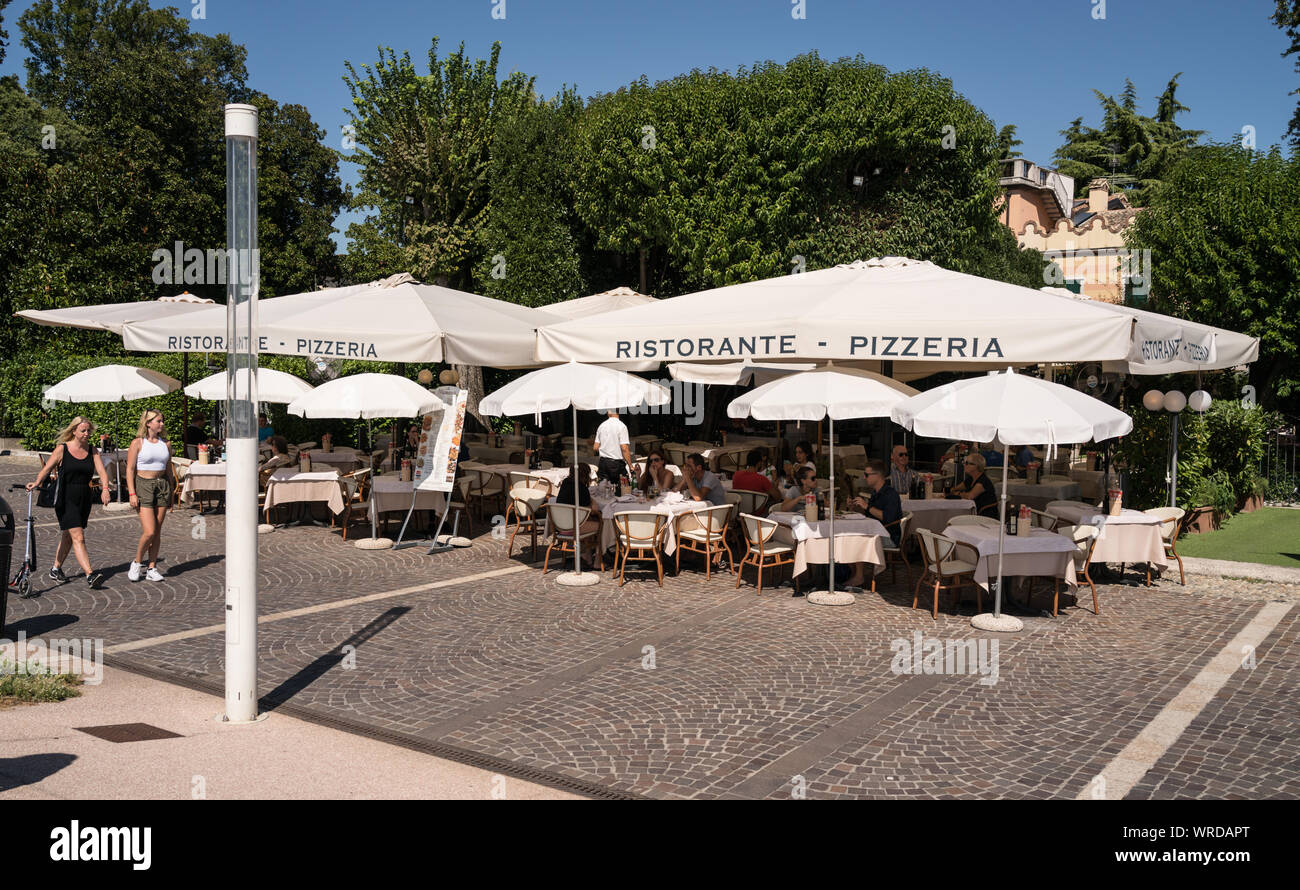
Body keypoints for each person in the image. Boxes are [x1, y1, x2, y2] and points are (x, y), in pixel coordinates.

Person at [27, 416, 112, 588]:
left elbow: (102, 472)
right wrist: (36, 482)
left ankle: (55, 568)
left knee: (69, 535)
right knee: (78, 536)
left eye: (89, 430)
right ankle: (90, 575)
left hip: (84, 497)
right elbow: (47, 468)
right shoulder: (63, 449)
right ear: (74, 431)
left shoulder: (93, 450)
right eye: (83, 431)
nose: (87, 434)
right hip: (66, 497)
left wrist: (104, 489)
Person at [127, 408, 173, 582]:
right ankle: (137, 562)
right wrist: (132, 493)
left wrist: (172, 492)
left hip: (162, 485)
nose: (161, 423)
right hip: (143, 485)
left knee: (158, 532)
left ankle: (152, 567)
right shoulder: (138, 443)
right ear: (148, 423)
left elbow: (169, 469)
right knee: (149, 531)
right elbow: (130, 469)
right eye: (158, 421)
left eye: (162, 421)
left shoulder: (165, 443)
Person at [555, 462, 600, 567]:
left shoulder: (565, 483)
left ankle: (587, 555)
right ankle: (598, 560)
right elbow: (593, 510)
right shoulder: (581, 489)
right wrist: (592, 499)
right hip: (573, 528)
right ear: (585, 475)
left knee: (590, 521)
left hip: (560, 526)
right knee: (602, 525)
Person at [591, 410, 634, 485]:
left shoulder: (602, 426)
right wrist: (630, 466)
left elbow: (595, 447)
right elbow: (624, 448)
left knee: (603, 491)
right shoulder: (621, 426)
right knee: (623, 490)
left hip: (603, 463)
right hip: (616, 465)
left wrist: (606, 448)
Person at [950, 451, 997, 517]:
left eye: (967, 463)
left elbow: (970, 496)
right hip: (974, 513)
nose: (964, 465)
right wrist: (953, 491)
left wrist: (957, 494)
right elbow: (955, 489)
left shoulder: (983, 481)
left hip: (985, 517)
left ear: (977, 466)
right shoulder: (971, 479)